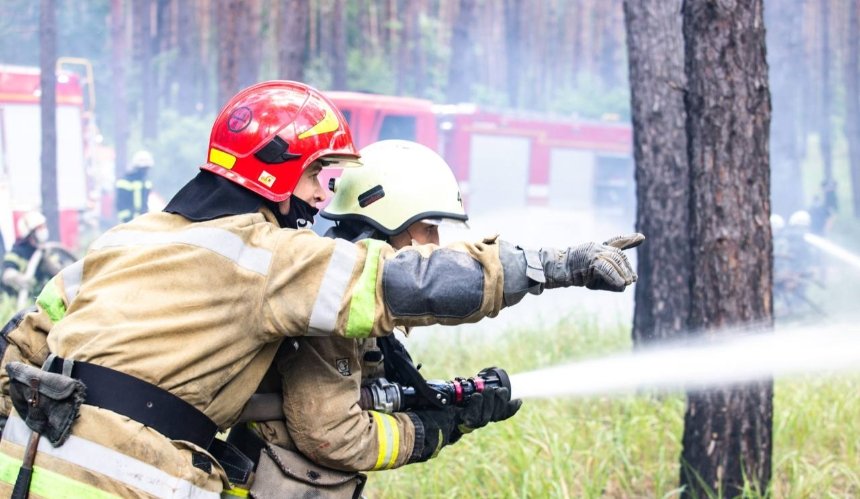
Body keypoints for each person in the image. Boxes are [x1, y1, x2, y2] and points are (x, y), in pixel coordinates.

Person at [0, 80, 641, 497]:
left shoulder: (128, 238)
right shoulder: (267, 257)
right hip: (121, 480)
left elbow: (19, 344)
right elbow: (400, 284)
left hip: (21, 464)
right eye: (315, 175)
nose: (319, 195)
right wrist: (554, 266)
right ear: (274, 170)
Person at [227, 140, 522, 497]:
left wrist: (456, 405)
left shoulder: (349, 295)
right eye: (428, 228)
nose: (436, 241)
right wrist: (434, 429)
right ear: (387, 223)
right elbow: (334, 438)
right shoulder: (326, 310)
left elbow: (373, 395)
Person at [1, 211, 51, 299]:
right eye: (39, 228)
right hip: (19, 300)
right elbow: (7, 274)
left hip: (40, 298)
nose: (43, 230)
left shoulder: (46, 251)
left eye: (44, 226)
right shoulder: (17, 252)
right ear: (30, 232)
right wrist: (21, 279)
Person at [115, 149, 155, 224]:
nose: (145, 171)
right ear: (136, 167)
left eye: (147, 168)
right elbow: (121, 204)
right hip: (127, 222)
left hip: (143, 221)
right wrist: (127, 219)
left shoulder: (146, 183)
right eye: (143, 168)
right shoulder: (124, 182)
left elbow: (145, 203)